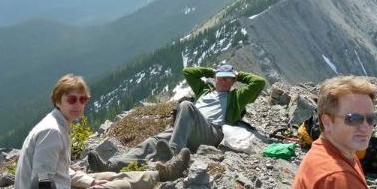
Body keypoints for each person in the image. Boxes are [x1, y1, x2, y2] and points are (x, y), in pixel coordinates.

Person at [14, 74, 190, 189]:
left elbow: (57, 171)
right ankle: (160, 176)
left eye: (83, 99)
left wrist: (90, 183)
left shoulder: (57, 123)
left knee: (105, 177)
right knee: (118, 186)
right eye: (72, 99)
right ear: (57, 101)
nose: (78, 104)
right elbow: (42, 186)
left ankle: (159, 174)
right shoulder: (52, 132)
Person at [87, 64, 266, 173]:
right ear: (216, 78)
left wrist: (238, 74)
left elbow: (259, 82)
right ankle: (110, 166)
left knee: (186, 105)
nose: (224, 81)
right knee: (152, 142)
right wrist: (213, 71)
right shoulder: (204, 90)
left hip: (211, 132)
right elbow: (188, 72)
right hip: (186, 131)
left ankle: (173, 157)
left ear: (234, 81)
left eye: (229, 79)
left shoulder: (236, 97)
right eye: (221, 78)